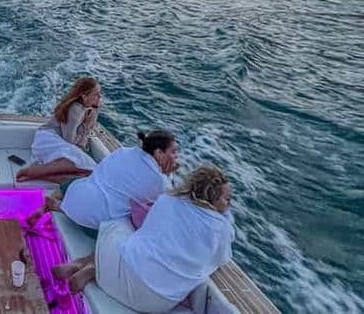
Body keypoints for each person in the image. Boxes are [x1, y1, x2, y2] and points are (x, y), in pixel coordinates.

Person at [56, 166, 235, 314]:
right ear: (212, 197)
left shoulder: (167, 200)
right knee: (135, 245)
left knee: (118, 224)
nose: (230, 204)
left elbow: (145, 233)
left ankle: (90, 265)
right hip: (156, 303)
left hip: (117, 274)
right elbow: (222, 258)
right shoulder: (220, 227)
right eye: (227, 198)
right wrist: (224, 216)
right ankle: (92, 267)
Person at [34, 129, 179, 238]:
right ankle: (62, 209)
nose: (176, 156)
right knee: (132, 220)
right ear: (159, 153)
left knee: (74, 182)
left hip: (76, 197)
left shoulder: (123, 152)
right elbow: (164, 207)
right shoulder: (159, 182)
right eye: (173, 152)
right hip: (92, 228)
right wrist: (167, 174)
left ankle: (53, 206)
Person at [16, 77, 102, 183]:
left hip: (54, 144)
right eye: (96, 94)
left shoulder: (86, 110)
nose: (100, 97)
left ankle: (39, 174)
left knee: (81, 176)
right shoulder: (75, 109)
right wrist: (86, 125)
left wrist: (88, 123)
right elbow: (70, 142)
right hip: (48, 140)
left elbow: (78, 145)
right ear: (84, 97)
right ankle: (36, 170)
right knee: (90, 168)